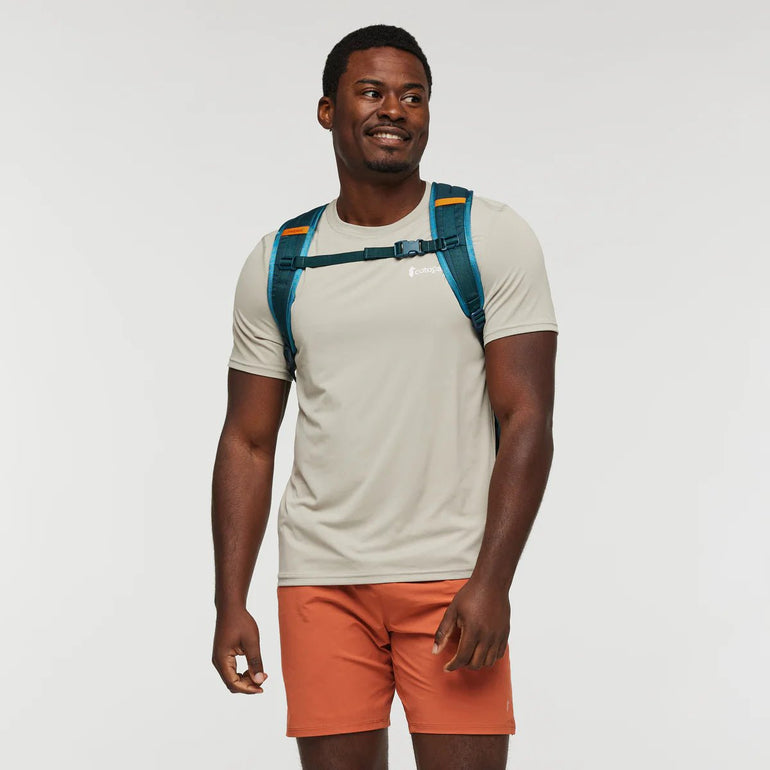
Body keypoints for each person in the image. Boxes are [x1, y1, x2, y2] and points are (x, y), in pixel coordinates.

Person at [211, 23, 558, 770]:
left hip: (452, 577)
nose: (393, 109)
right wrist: (229, 600)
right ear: (328, 111)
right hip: (321, 580)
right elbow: (248, 439)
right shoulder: (280, 259)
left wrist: (492, 581)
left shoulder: (487, 235)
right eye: (370, 92)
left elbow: (528, 417)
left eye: (413, 95)